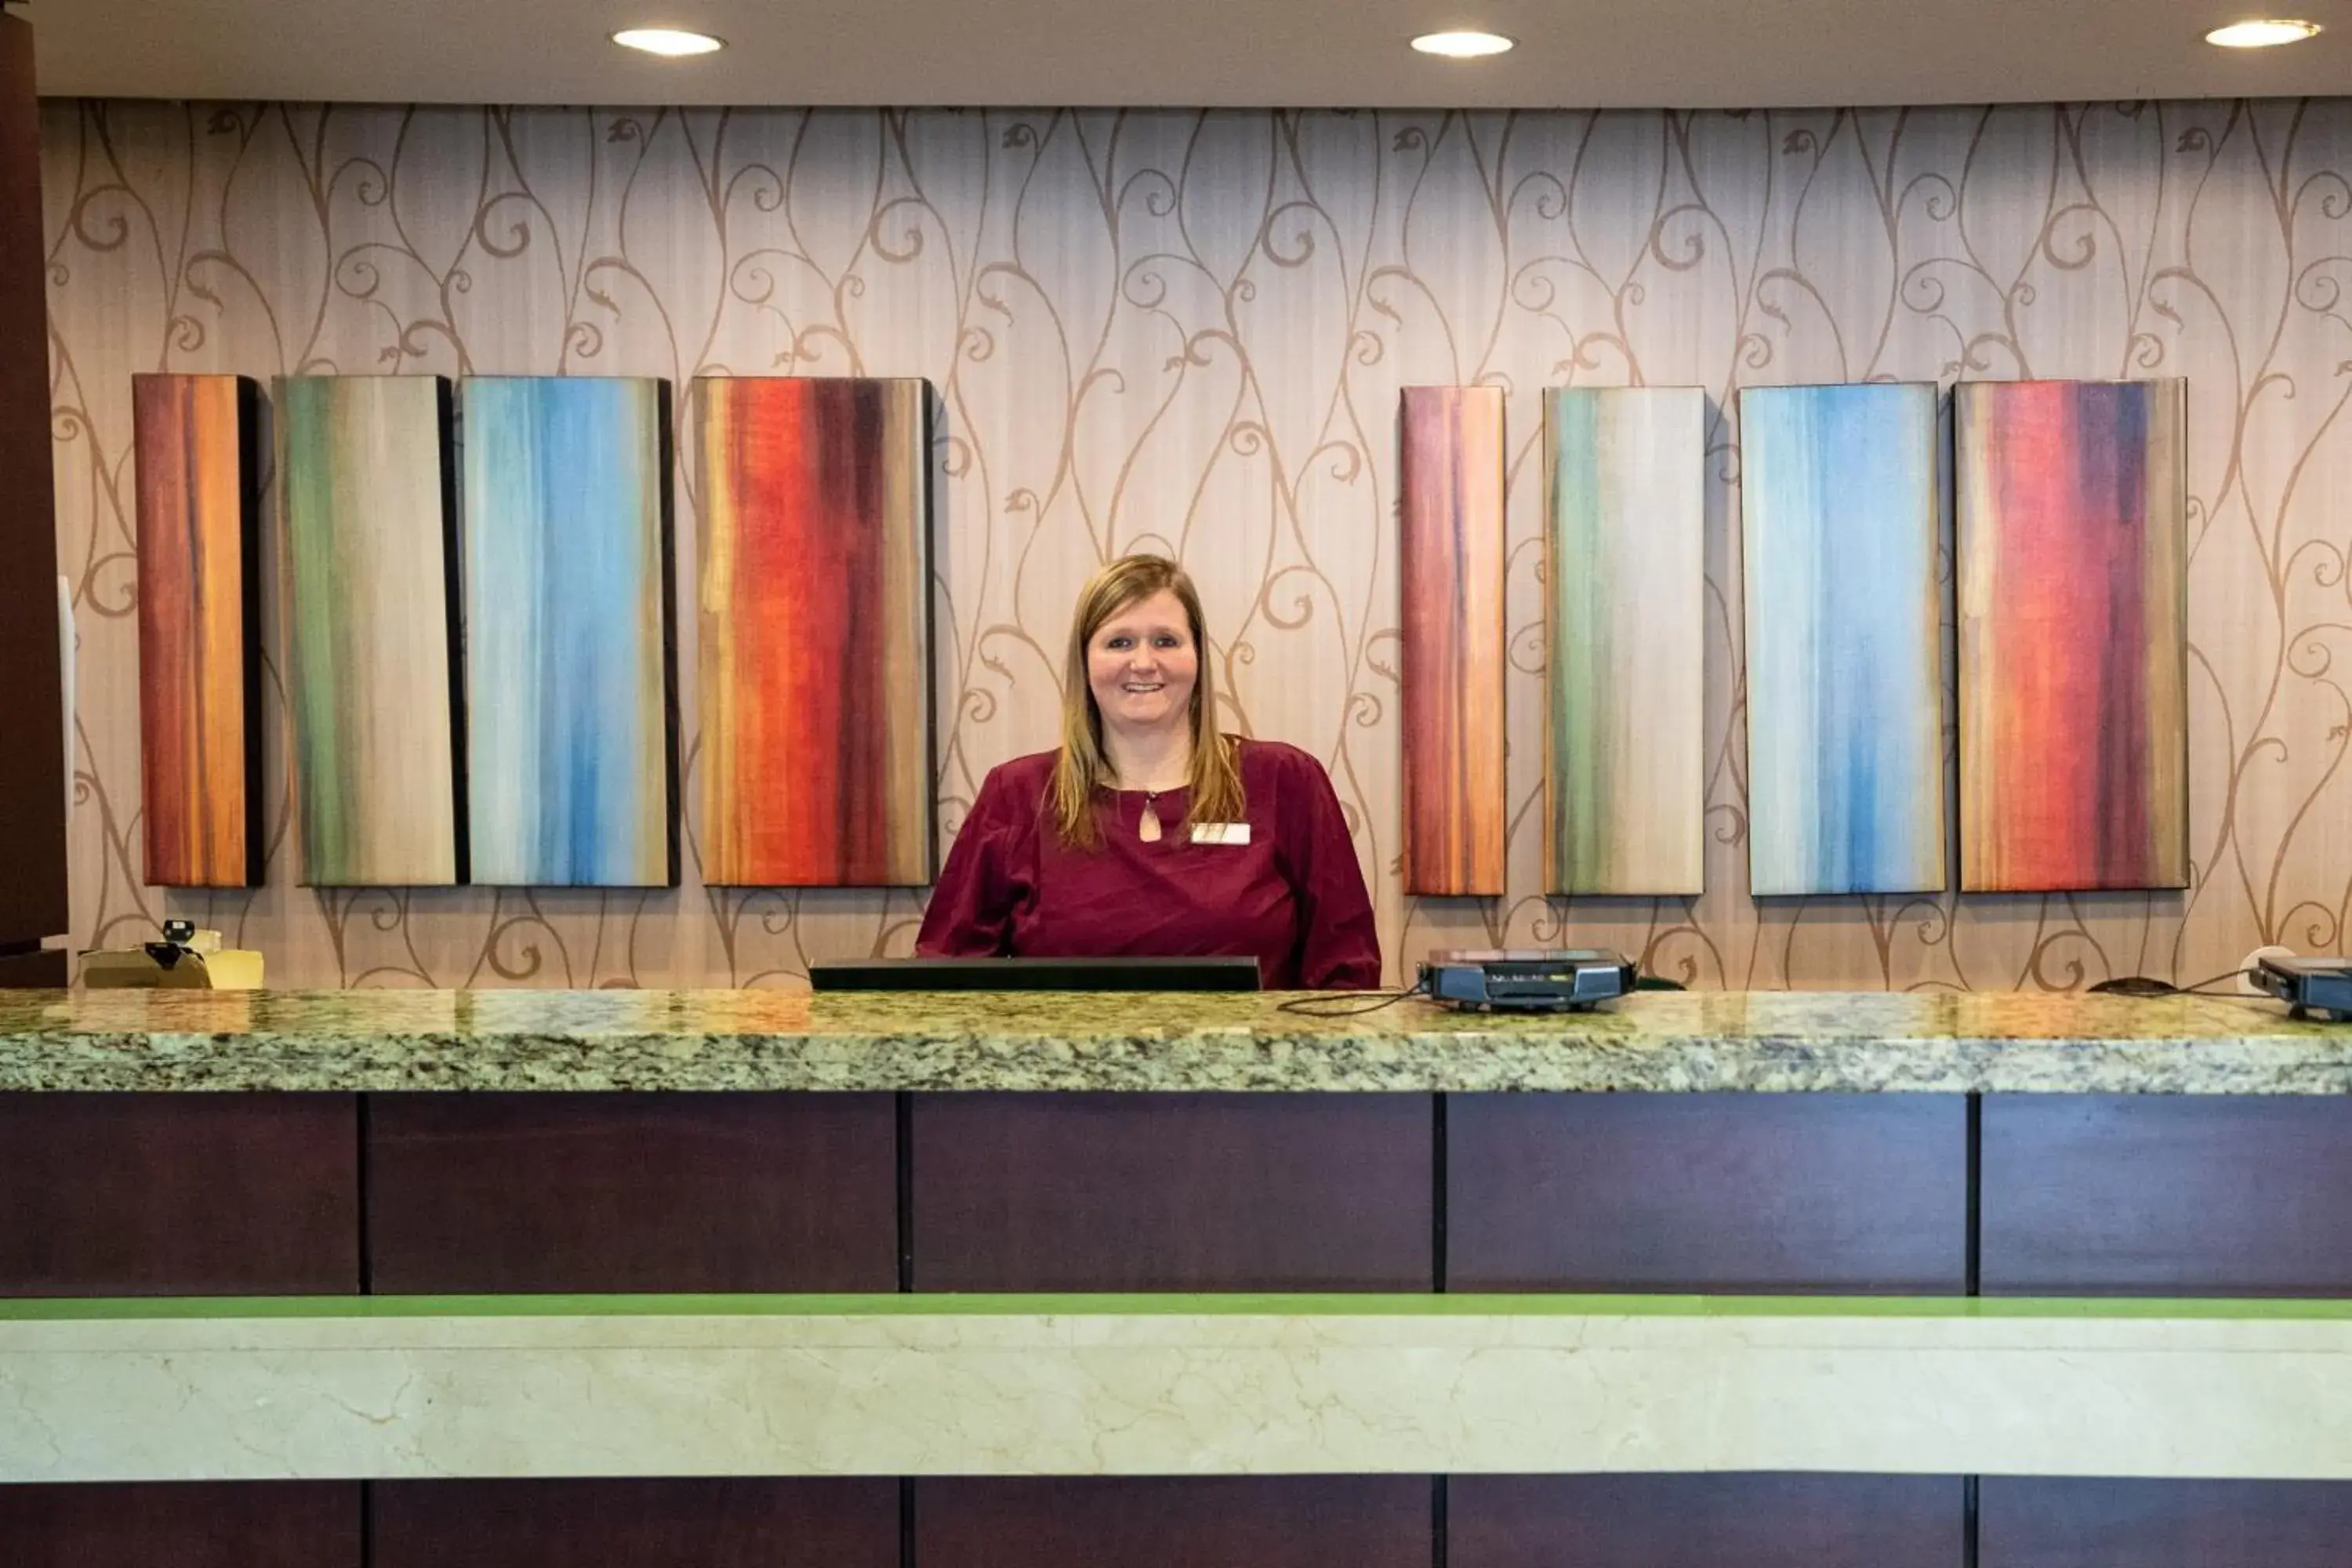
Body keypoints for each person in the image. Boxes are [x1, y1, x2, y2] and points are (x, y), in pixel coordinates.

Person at [916, 554, 1381, 989]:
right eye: (1119, 642)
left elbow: (1346, 975)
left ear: (1197, 656)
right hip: (1071, 1074)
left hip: (1248, 1073)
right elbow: (947, 978)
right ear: (1085, 661)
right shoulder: (1016, 794)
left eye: (1165, 641)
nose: (1143, 662)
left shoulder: (1286, 781)